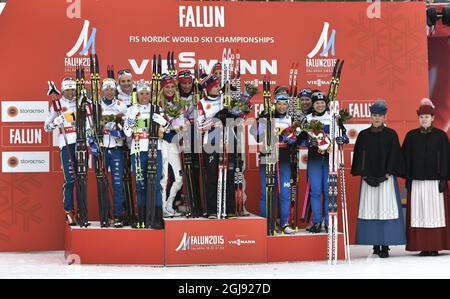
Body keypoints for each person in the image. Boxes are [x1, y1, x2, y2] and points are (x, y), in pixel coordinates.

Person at [351, 99, 406, 258]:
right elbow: (360, 158)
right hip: (368, 181)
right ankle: (375, 244)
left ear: (384, 117)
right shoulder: (363, 135)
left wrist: (385, 175)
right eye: (374, 115)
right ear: (370, 116)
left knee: (385, 210)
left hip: (386, 180)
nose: (376, 118)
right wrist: (366, 176)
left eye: (379, 115)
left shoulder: (391, 135)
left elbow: (395, 157)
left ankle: (386, 245)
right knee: (372, 210)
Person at [251, 93, 304, 234]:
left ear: (288, 105)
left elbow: (299, 139)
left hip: (285, 159)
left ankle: (284, 223)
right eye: (279, 103)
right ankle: (266, 223)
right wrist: (262, 124)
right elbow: (256, 136)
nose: (282, 106)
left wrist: (293, 140)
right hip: (267, 158)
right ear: (274, 104)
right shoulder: (267, 116)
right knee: (267, 193)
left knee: (285, 193)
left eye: (284, 104)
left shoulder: (292, 120)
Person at [402, 98, 450, 256]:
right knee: (419, 213)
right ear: (418, 119)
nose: (424, 119)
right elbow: (405, 158)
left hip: (435, 182)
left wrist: (444, 178)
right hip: (416, 181)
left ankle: (435, 246)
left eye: (427, 117)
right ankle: (422, 245)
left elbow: (446, 158)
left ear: (433, 118)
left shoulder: (441, 136)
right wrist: (408, 178)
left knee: (436, 213)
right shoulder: (411, 136)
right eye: (421, 117)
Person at [123, 80, 168, 228]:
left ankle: (156, 217)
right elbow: (127, 132)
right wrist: (131, 119)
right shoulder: (131, 109)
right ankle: (142, 217)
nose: (144, 96)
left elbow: (166, 129)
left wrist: (162, 121)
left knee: (155, 184)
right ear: (137, 94)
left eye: (147, 93)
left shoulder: (156, 109)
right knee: (141, 184)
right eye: (141, 93)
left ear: (150, 94)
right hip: (137, 150)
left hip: (155, 149)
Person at [304, 91, 349, 233]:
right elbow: (301, 140)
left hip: (330, 159)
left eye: (322, 102)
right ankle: (317, 221)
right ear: (313, 104)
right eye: (317, 103)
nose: (320, 105)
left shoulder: (334, 117)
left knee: (328, 191)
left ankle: (328, 222)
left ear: (326, 104)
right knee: (316, 191)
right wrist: (308, 142)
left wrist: (343, 140)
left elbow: (344, 136)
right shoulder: (307, 118)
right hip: (315, 159)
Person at [89, 78, 127, 227]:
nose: (109, 92)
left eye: (112, 89)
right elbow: (89, 126)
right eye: (107, 89)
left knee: (117, 183)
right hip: (101, 147)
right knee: (102, 182)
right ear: (102, 91)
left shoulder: (121, 106)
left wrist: (119, 131)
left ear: (115, 90)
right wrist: (92, 141)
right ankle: (105, 216)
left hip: (117, 148)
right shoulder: (95, 106)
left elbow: (128, 127)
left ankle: (118, 215)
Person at [44, 78, 78, 225]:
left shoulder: (81, 101)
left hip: (81, 143)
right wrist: (55, 123)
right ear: (62, 91)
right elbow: (46, 127)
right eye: (68, 90)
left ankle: (82, 209)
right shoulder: (57, 105)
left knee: (82, 179)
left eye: (73, 89)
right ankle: (69, 211)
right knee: (70, 180)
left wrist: (69, 117)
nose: (71, 93)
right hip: (66, 144)